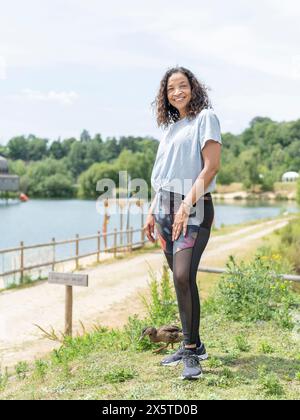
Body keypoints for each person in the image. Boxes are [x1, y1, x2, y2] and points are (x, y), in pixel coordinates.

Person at [144, 66, 222, 380]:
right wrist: (152, 210)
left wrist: (185, 205)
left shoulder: (206, 118)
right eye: (170, 88)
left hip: (193, 208)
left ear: (193, 87)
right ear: (165, 96)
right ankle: (193, 343)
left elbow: (211, 167)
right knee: (180, 280)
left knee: (182, 274)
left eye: (182, 85)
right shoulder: (171, 128)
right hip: (164, 209)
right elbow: (162, 177)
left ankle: (191, 353)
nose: (177, 92)